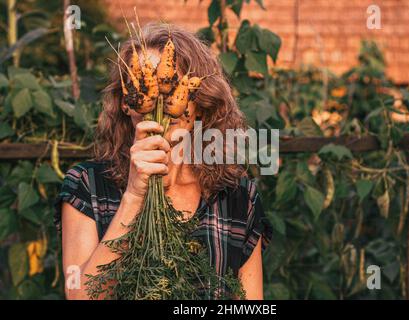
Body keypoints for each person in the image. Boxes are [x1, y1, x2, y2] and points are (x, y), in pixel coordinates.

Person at [55, 23, 272, 300]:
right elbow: (80, 297)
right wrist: (133, 196)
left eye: (173, 91)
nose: (159, 103)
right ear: (125, 102)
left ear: (200, 104)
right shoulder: (87, 184)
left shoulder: (238, 196)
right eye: (143, 88)